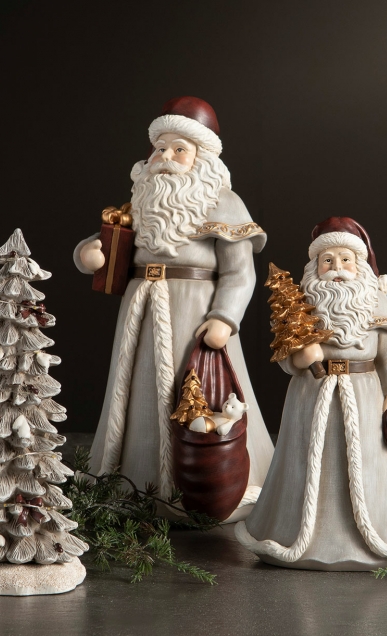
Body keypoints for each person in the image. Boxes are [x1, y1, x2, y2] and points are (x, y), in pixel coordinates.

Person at [73, 97, 273, 517]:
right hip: (141, 310)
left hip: (194, 312)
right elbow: (110, 245)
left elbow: (240, 273)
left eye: (179, 148)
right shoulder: (140, 201)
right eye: (160, 148)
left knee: (193, 391)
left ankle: (207, 489)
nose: (165, 157)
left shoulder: (224, 203)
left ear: (202, 157)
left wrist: (224, 317)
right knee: (138, 392)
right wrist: (89, 254)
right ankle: (134, 481)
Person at [236, 218, 387, 570]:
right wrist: (299, 358)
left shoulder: (376, 301)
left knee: (368, 460)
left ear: (359, 265)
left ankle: (377, 533)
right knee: (308, 460)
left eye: (346, 260)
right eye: (327, 260)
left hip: (364, 393)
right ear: (315, 266)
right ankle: (302, 534)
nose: (337, 268)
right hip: (310, 395)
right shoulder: (302, 303)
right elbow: (285, 352)